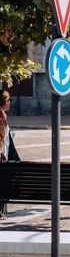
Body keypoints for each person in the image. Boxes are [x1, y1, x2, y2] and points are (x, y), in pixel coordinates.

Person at [0, 89, 20, 219]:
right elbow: (2, 136)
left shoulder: (3, 116)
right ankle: (1, 212)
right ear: (3, 102)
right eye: (9, 100)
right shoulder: (1, 117)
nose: (10, 102)